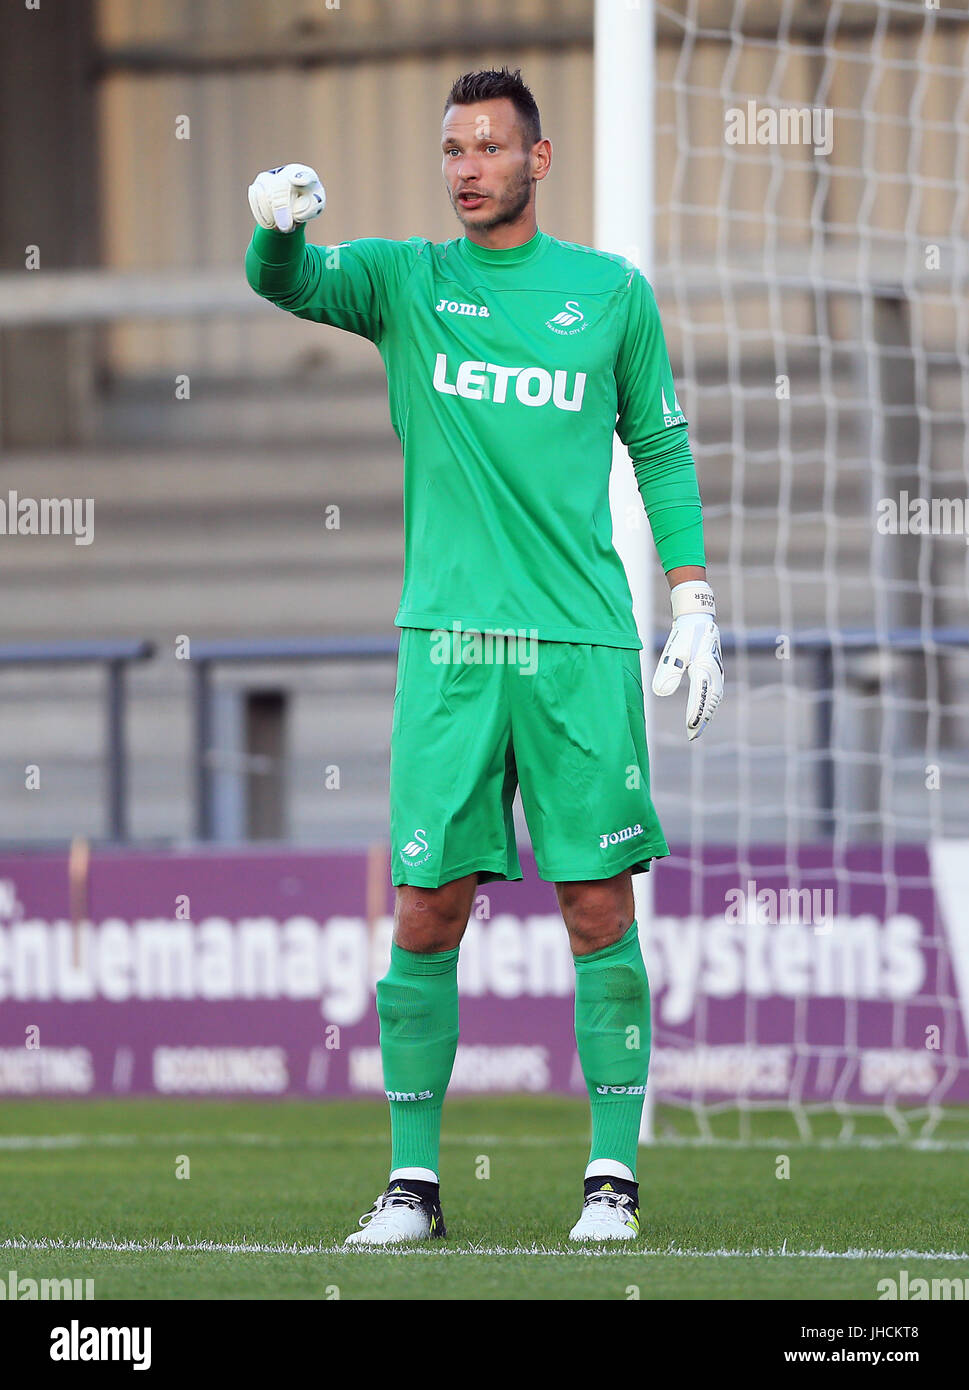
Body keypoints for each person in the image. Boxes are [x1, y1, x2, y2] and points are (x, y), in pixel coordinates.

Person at [245, 66, 723, 1244]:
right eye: (451, 148)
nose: (466, 167)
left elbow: (658, 452)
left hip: (580, 644)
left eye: (489, 148)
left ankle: (611, 1181)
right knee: (426, 907)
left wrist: (695, 597)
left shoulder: (610, 294)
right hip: (451, 649)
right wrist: (276, 228)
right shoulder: (410, 280)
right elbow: (292, 283)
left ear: (537, 161)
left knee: (598, 906)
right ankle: (412, 1187)